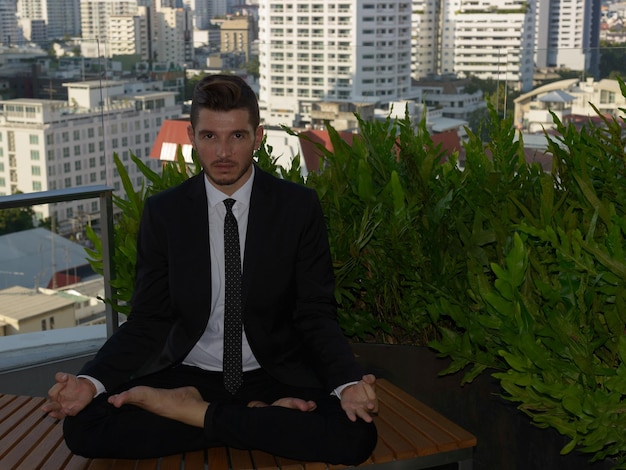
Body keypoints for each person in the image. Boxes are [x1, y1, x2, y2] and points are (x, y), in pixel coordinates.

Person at [42, 74, 378, 465]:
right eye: (209, 137)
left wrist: (348, 384)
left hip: (273, 372)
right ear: (191, 137)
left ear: (258, 137)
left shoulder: (297, 208)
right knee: (83, 428)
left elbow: (315, 313)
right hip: (190, 372)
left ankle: (193, 413)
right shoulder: (165, 213)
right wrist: (89, 381)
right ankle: (259, 418)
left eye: (236, 136)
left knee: (356, 435)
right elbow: (148, 319)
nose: (222, 152)